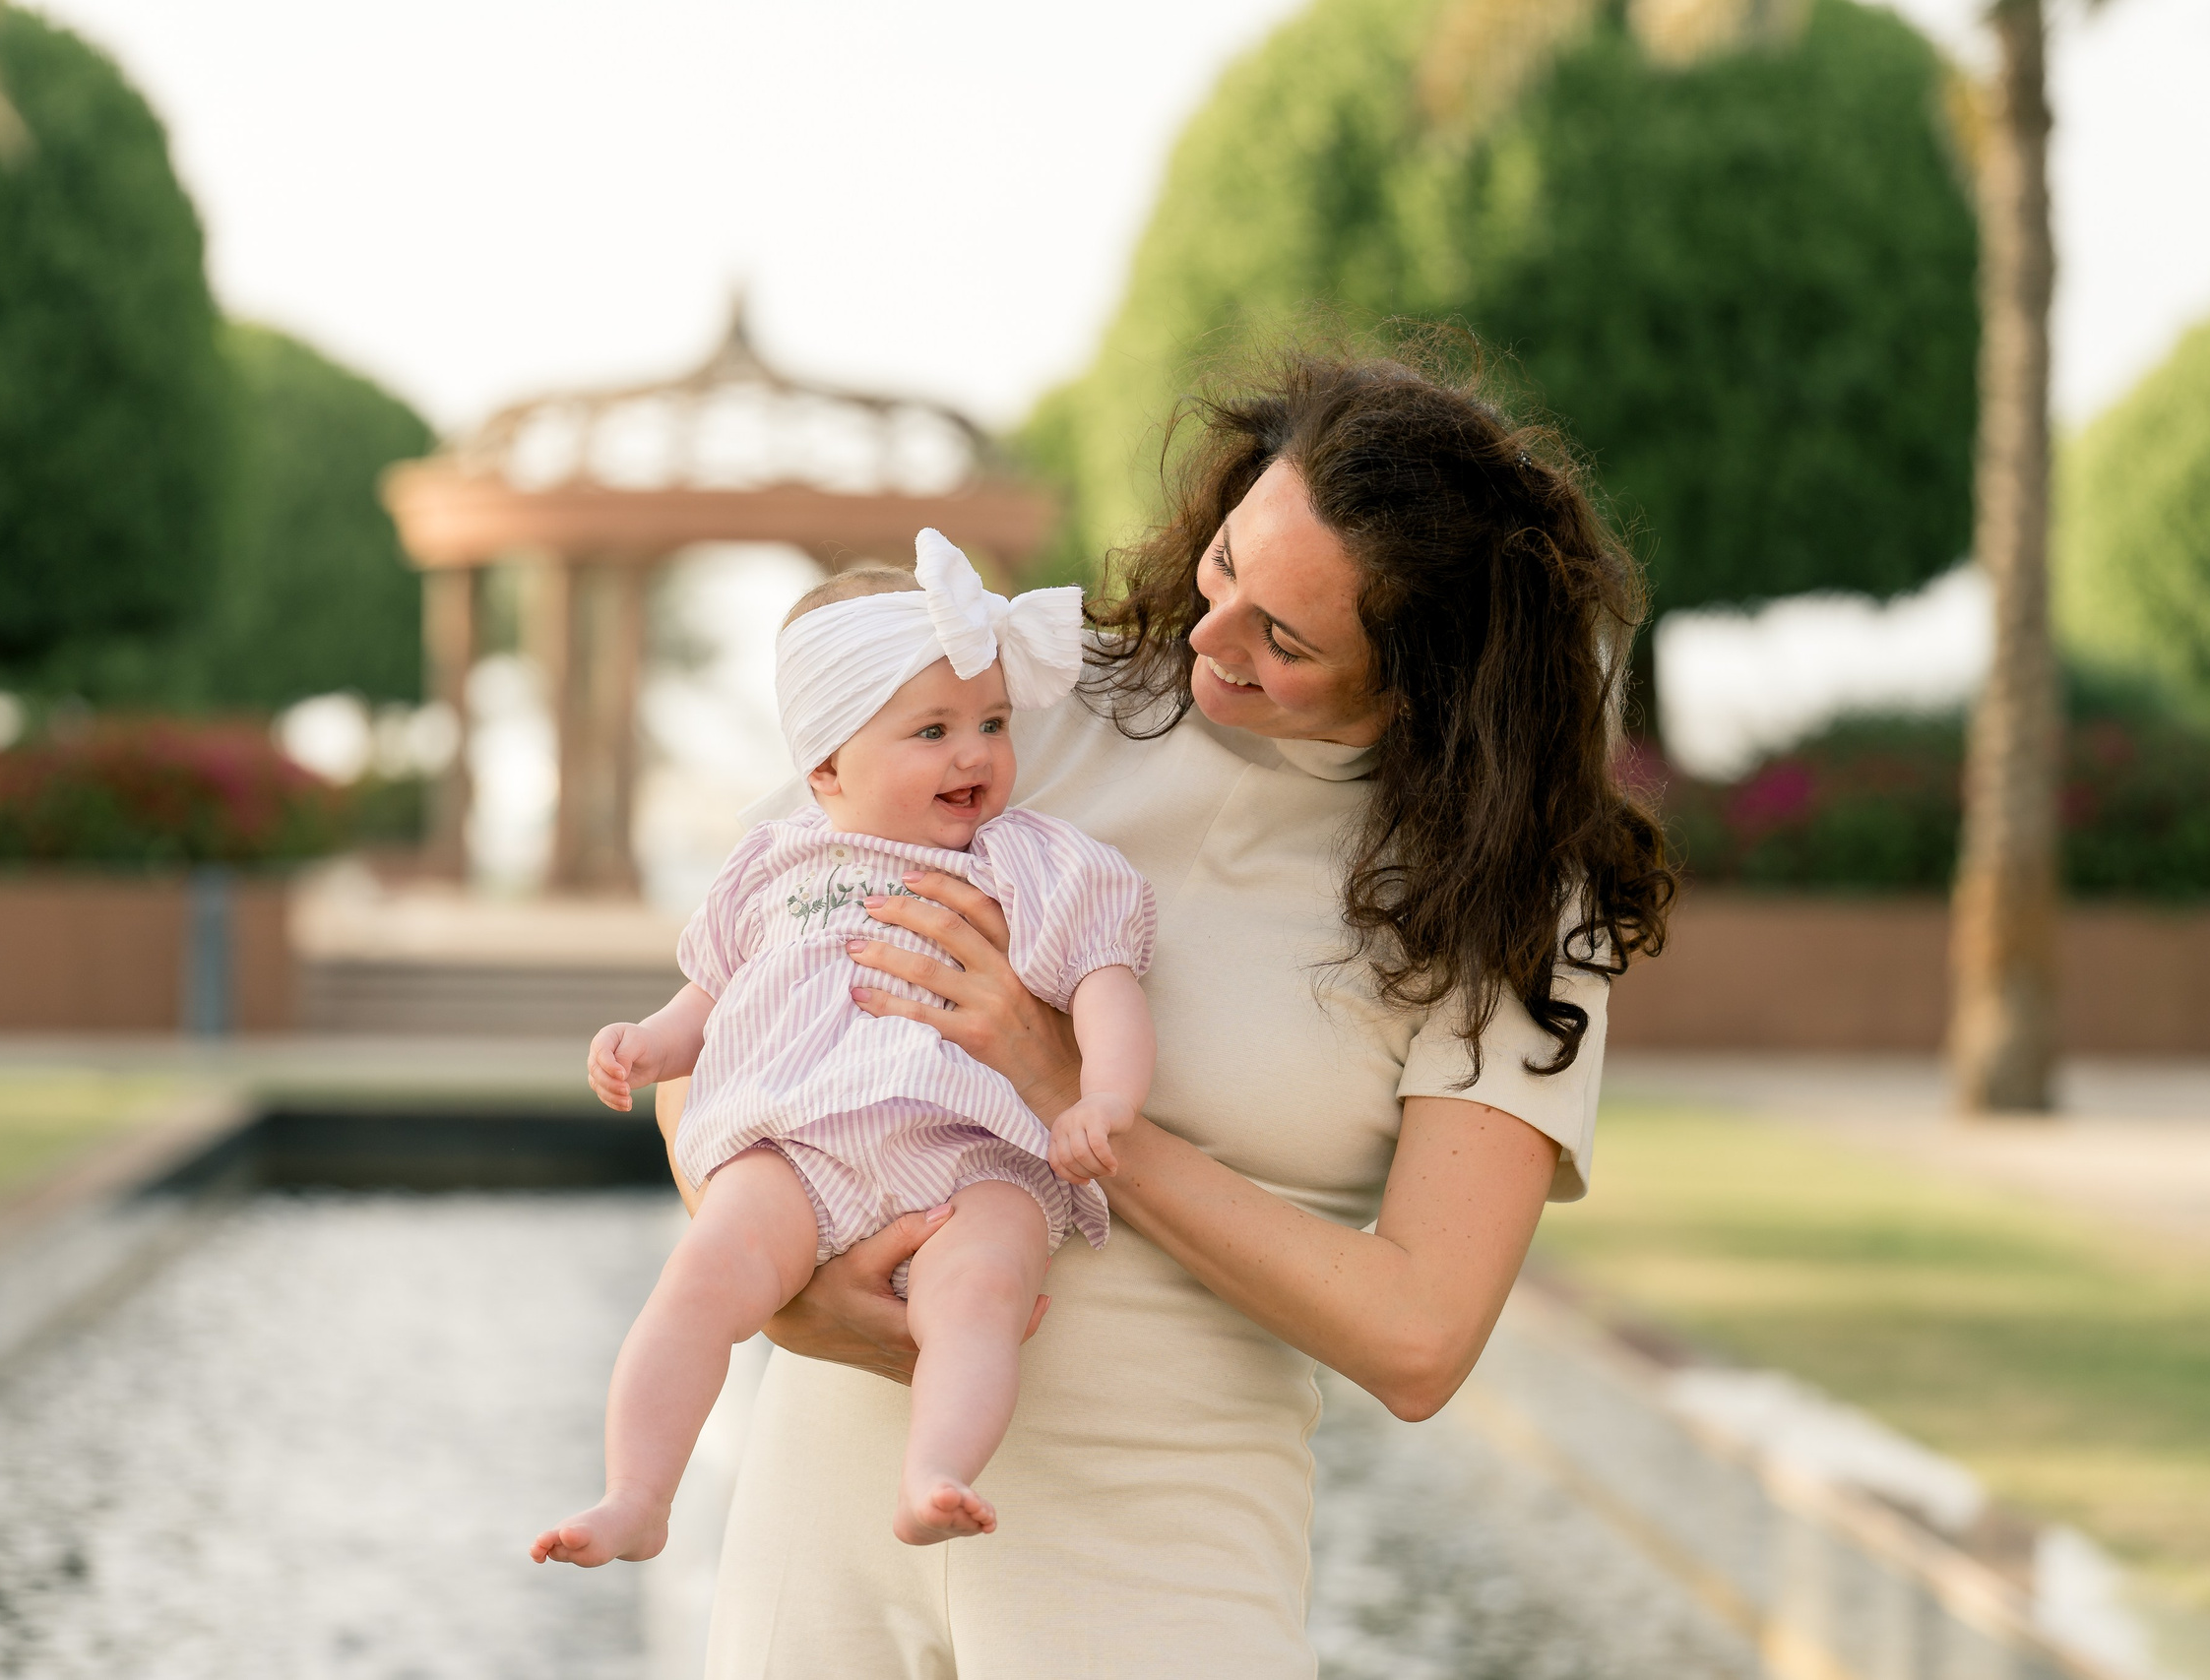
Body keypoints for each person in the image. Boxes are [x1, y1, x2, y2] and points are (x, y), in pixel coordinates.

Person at [676, 344, 1674, 1677]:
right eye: (1224, 570)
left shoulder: (1512, 897)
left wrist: (1066, 1090)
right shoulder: (1021, 691)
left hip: (1160, 1557)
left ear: (1430, 675)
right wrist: (776, 1276)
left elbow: (1420, 1331)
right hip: (831, 1513)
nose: (1209, 639)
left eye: (1287, 636)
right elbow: (721, 1015)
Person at [534, 531, 1158, 1567]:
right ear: (825, 766)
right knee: (698, 1279)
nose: (976, 754)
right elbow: (711, 992)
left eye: (992, 723)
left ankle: (935, 1469)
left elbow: (1106, 984)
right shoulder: (772, 863)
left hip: (973, 1152)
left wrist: (1106, 1099)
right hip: (797, 1153)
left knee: (983, 1290)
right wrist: (646, 1045)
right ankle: (638, 1493)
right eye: (932, 730)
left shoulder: (1030, 860)